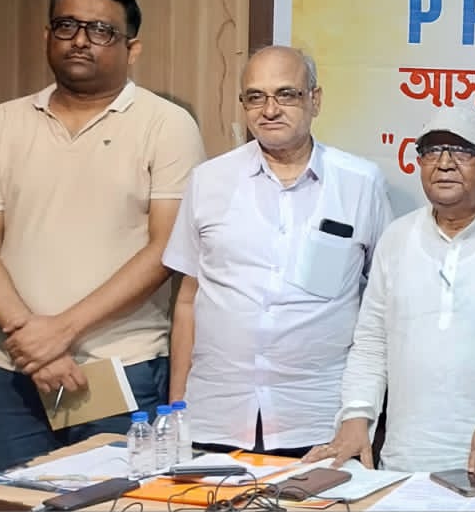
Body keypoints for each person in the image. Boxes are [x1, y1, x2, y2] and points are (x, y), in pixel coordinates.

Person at [0, 0, 205, 473]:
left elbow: (165, 249)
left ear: (132, 48)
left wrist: (60, 332)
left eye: (101, 31)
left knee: (110, 500)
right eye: (67, 26)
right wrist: (33, 343)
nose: (81, 40)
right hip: (14, 369)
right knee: (11, 500)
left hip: (118, 367)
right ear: (47, 35)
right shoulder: (2, 123)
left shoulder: (167, 124)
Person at [309, 106, 475, 475]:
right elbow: (371, 342)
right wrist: (356, 414)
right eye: (432, 151)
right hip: (407, 462)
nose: (444, 163)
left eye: (461, 151)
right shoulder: (396, 238)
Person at [163, 45, 392, 457]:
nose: (270, 110)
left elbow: (382, 305)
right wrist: (178, 409)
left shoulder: (360, 183)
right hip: (215, 416)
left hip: (318, 419)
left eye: (286, 94)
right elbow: (187, 300)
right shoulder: (208, 180)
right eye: (256, 97)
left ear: (314, 100)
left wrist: (363, 414)